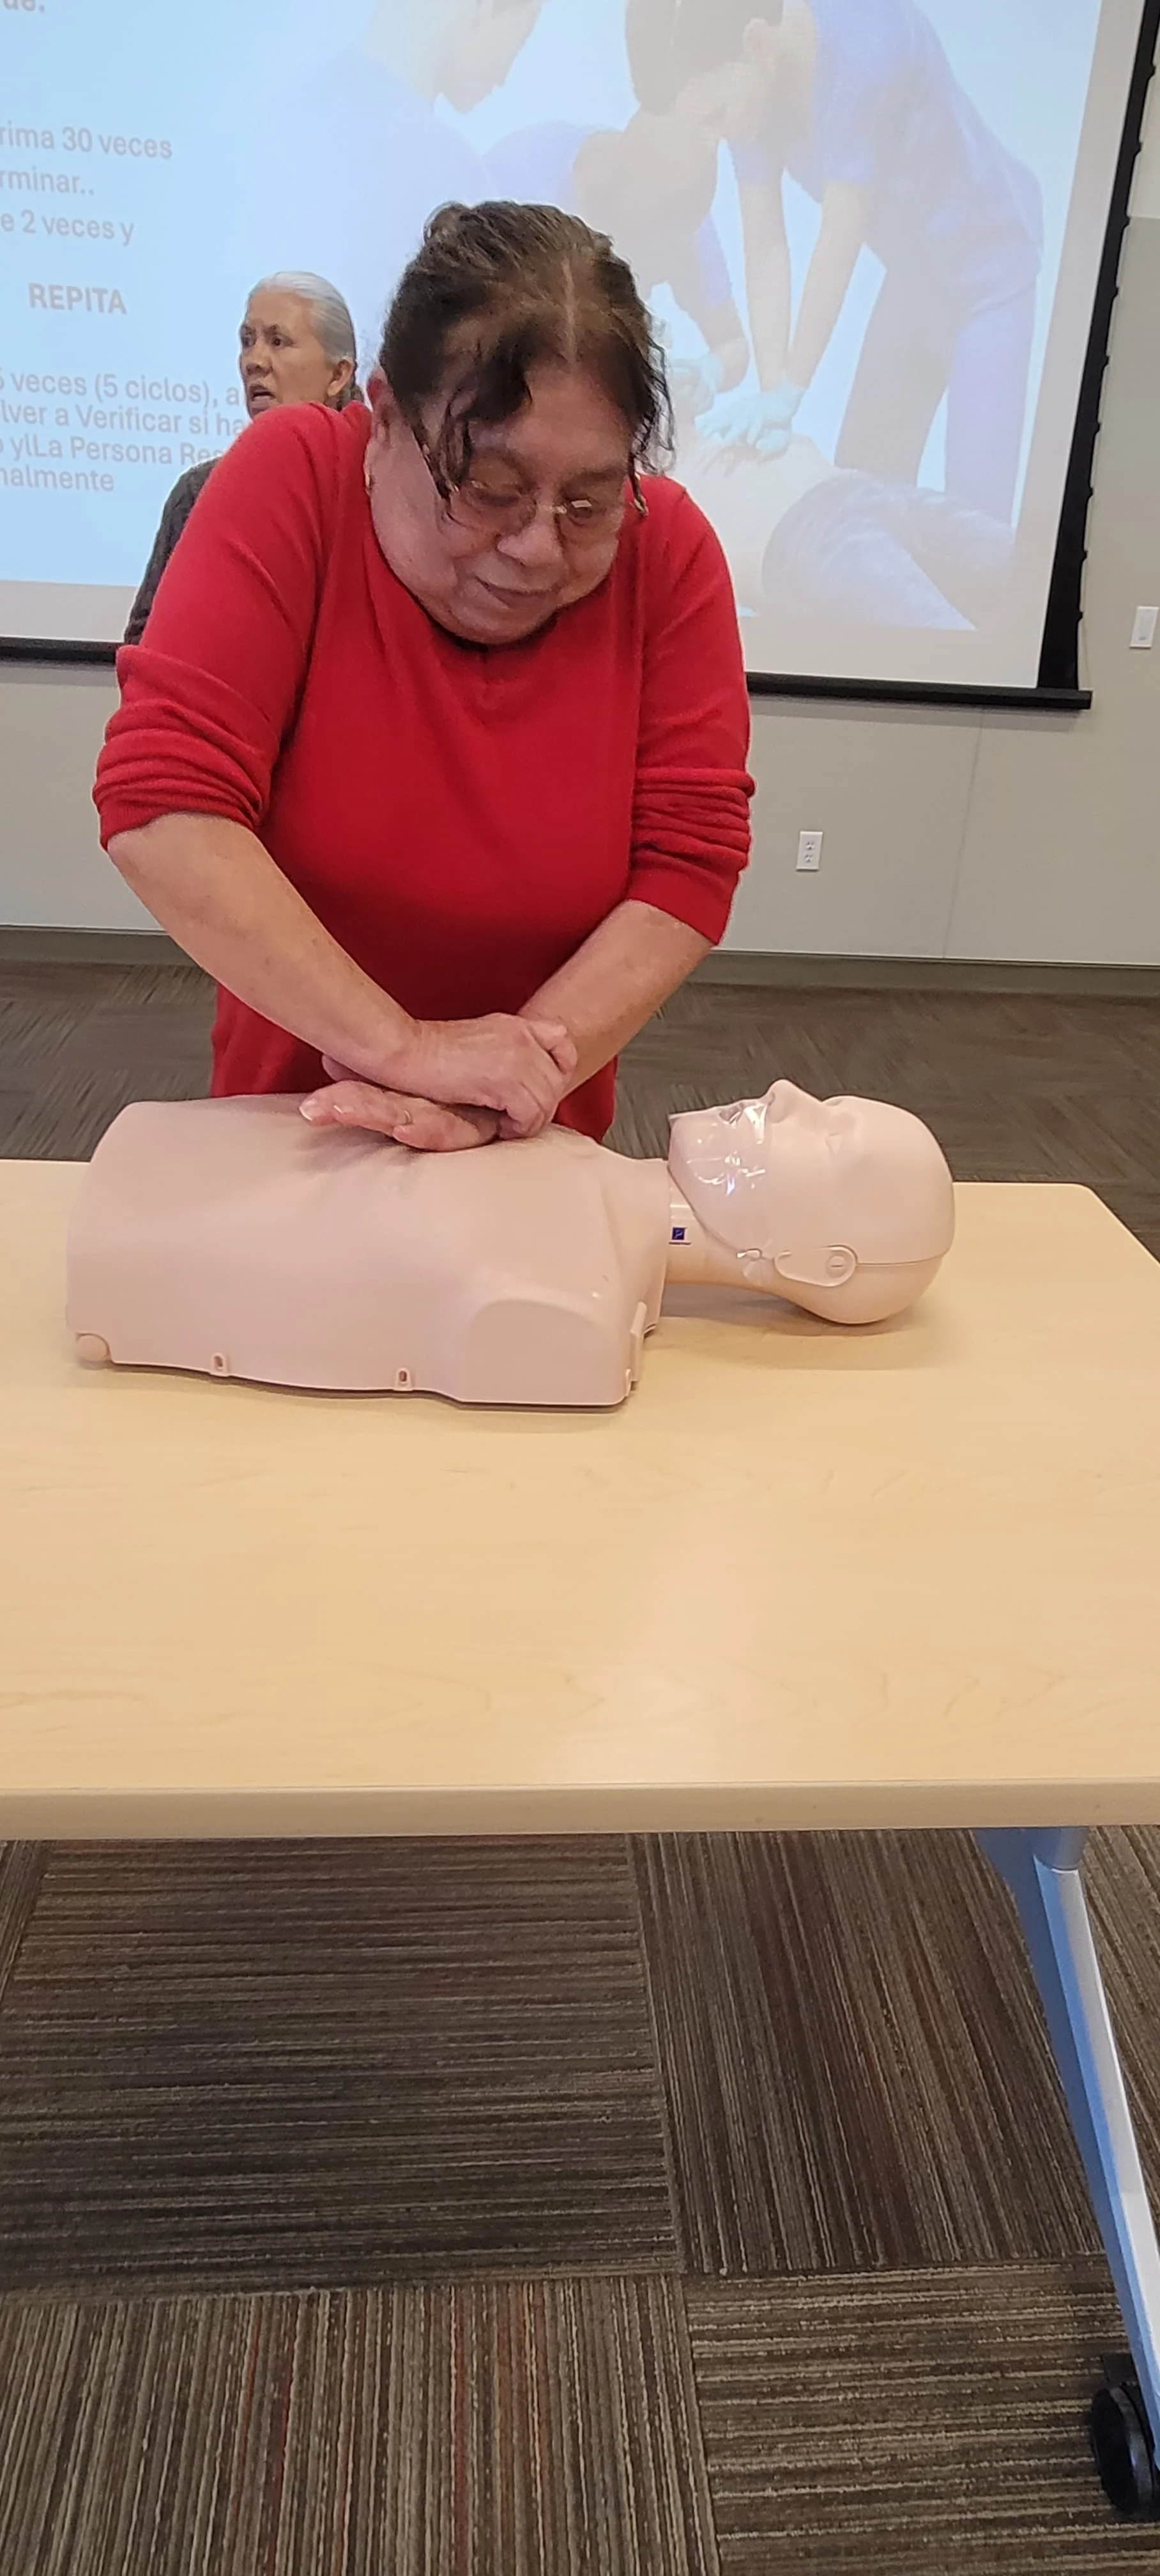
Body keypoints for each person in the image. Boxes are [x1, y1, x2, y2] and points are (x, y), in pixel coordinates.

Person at [95, 203, 753, 1156]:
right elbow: (164, 805)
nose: (537, 547)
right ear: (384, 422)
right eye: (489, 489)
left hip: (531, 1143)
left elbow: (687, 862)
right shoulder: (293, 478)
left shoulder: (670, 551)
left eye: (587, 504)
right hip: (291, 1134)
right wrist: (406, 1051)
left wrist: (507, 1084)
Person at [628, 0, 1043, 523]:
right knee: (863, 485)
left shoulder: (868, 47)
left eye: (715, 117)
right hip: (914, 280)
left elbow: (838, 243)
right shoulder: (748, 96)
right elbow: (765, 246)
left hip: (991, 274)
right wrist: (771, 391)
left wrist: (793, 391)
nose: (715, 137)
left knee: (976, 520)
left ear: (757, 43)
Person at [238, 0, 545, 354]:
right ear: (484, 9)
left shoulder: (278, 116)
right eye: (519, 42)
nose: (504, 76)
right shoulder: (446, 168)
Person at [125, 275, 360, 647]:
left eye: (278, 341)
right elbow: (145, 639)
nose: (254, 361)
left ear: (338, 375)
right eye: (247, 341)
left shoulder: (379, 489)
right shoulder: (200, 491)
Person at [482, 106, 749, 404]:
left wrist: (710, 371)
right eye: (650, 241)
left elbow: (734, 343)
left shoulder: (682, 209)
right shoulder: (517, 181)